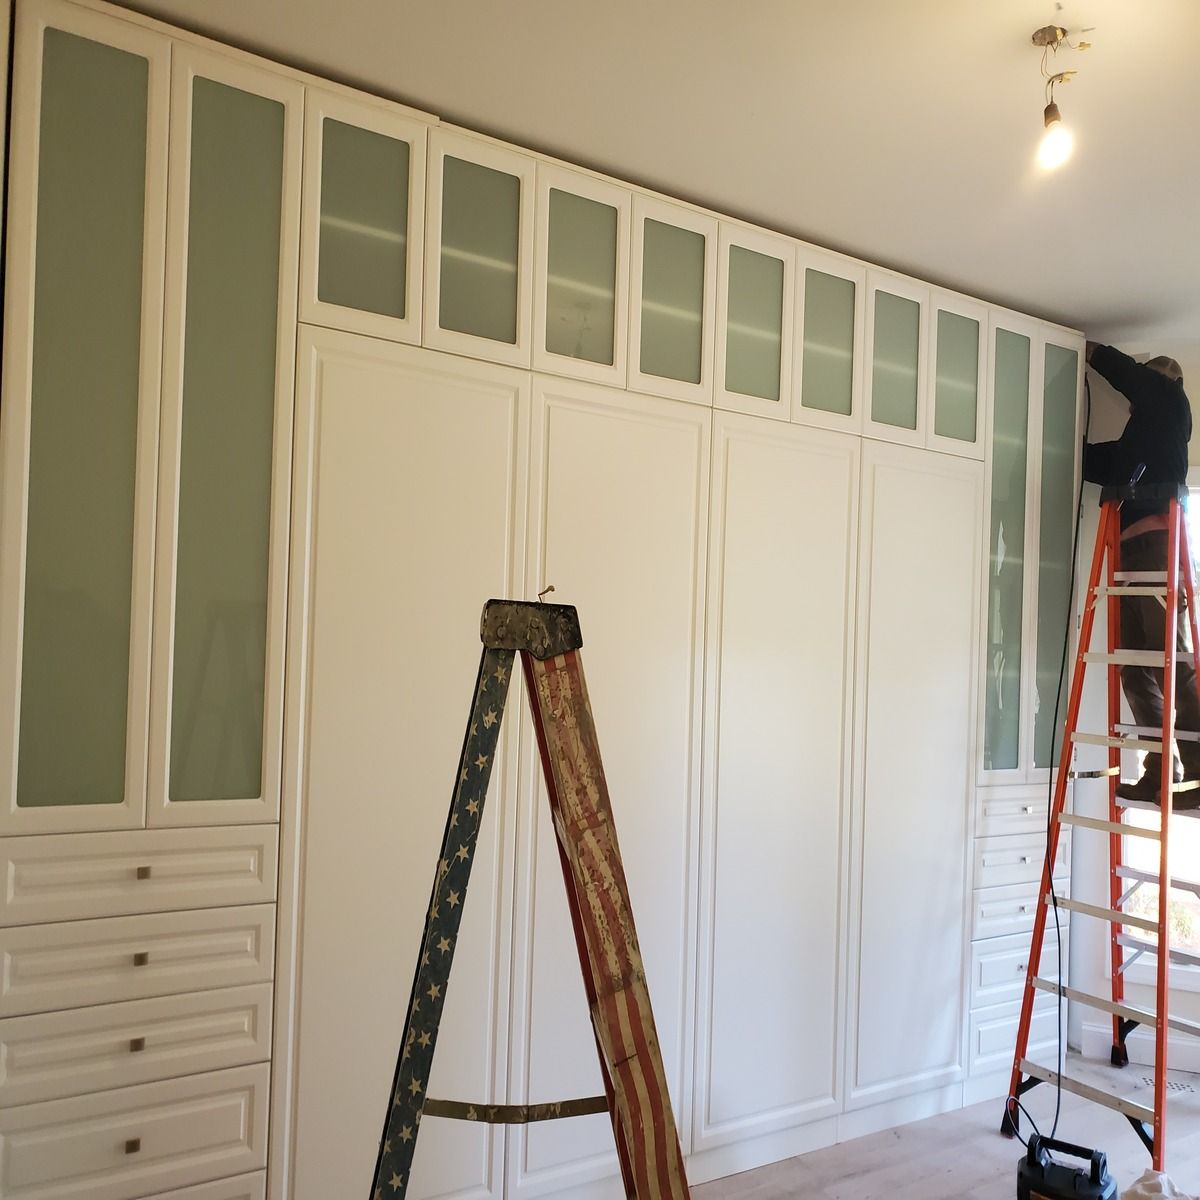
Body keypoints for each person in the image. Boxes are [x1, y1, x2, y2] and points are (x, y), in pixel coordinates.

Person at [1082, 342, 1200, 808]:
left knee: (1174, 663)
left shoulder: (1173, 406)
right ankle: (1159, 772)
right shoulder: (1139, 444)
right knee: (1134, 668)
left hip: (1156, 549)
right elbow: (1097, 463)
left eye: (1150, 383)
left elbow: (1139, 380)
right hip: (1130, 557)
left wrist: (1097, 354)